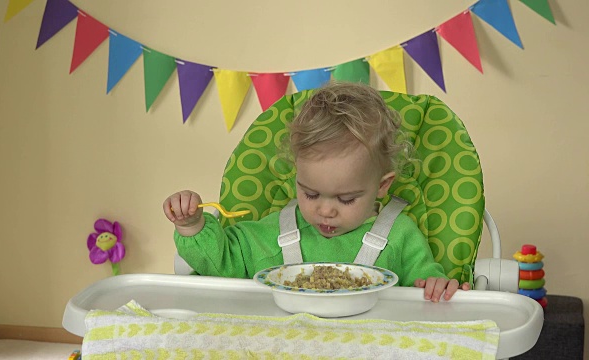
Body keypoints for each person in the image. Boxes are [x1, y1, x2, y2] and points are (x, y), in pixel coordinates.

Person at [163, 81, 470, 302]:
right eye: (310, 194)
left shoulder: (400, 236)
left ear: (382, 185)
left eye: (346, 199)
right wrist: (192, 226)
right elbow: (221, 264)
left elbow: (424, 289)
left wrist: (435, 287)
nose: (325, 211)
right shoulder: (276, 232)